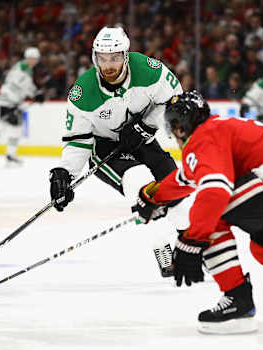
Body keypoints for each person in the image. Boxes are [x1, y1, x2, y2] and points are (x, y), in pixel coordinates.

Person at [134, 91, 263, 334]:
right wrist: (151, 196)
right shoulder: (216, 130)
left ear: (179, 127)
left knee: (212, 216)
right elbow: (186, 178)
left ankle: (238, 301)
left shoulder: (203, 138)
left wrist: (191, 239)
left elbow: (214, 191)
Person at [48, 26, 186, 277]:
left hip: (142, 138)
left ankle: (191, 248)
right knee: (142, 184)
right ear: (94, 58)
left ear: (125, 55)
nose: (108, 65)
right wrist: (64, 173)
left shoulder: (148, 70)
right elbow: (78, 139)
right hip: (104, 148)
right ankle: (163, 249)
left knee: (176, 191)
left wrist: (147, 125)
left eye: (114, 58)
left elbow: (175, 100)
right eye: (103, 58)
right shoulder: (82, 93)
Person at [0, 47, 45, 165]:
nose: (36, 61)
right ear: (29, 58)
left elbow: (25, 85)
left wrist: (35, 94)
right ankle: (8, 154)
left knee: (4, 125)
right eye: (34, 59)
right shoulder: (22, 69)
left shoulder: (26, 68)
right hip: (9, 101)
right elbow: (20, 85)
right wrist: (35, 94)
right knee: (14, 127)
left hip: (9, 101)